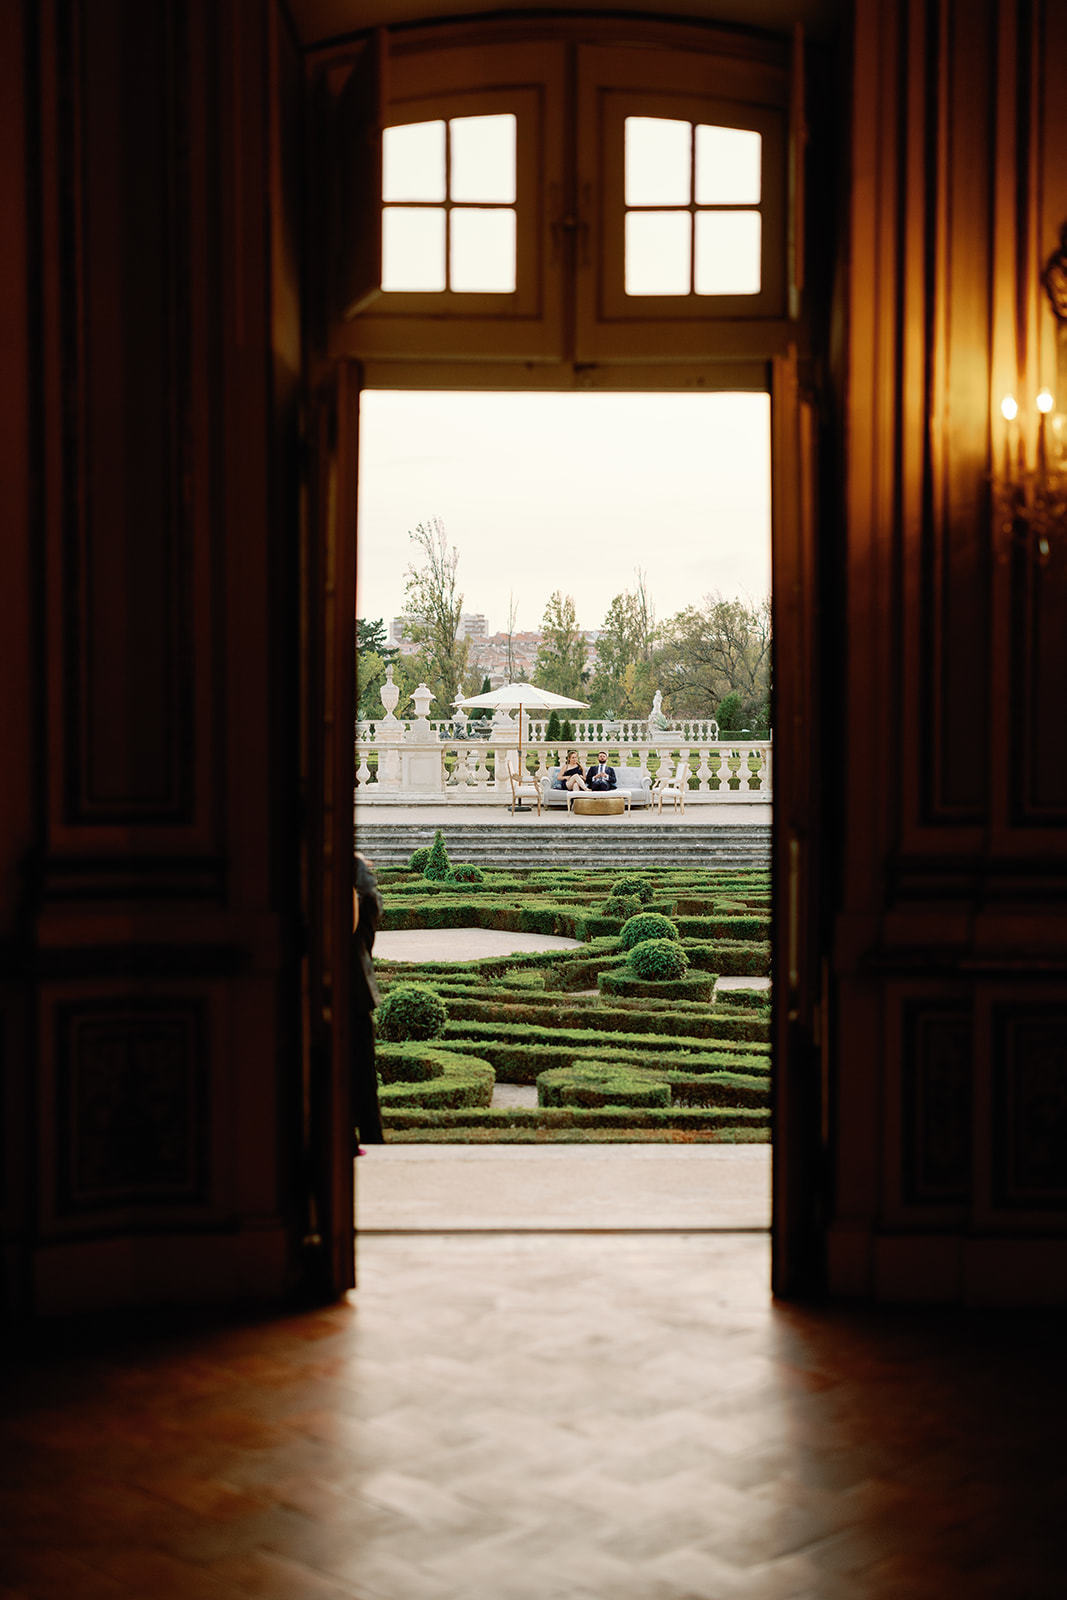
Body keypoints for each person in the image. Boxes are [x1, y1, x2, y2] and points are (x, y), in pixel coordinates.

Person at [351, 850, 384, 1152]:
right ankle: (370, 1136)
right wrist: (359, 866)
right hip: (352, 987)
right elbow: (371, 904)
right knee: (361, 1070)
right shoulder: (358, 884)